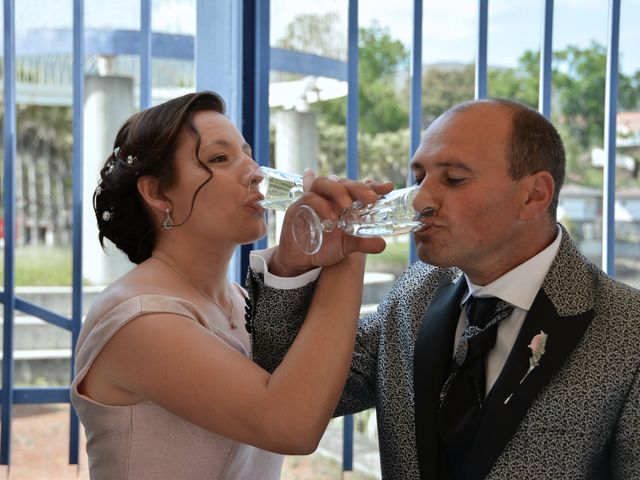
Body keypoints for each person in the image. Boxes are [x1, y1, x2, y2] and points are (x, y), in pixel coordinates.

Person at [246, 98, 640, 479]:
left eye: (453, 179)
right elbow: (294, 390)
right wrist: (293, 266)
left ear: (534, 195)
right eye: (418, 178)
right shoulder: (414, 296)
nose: (420, 199)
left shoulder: (628, 329)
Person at [70, 91, 378, 480]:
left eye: (248, 155)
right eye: (219, 158)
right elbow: (289, 424)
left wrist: (301, 259)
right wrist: (347, 246)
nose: (255, 173)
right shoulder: (139, 318)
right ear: (157, 192)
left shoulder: (238, 300)